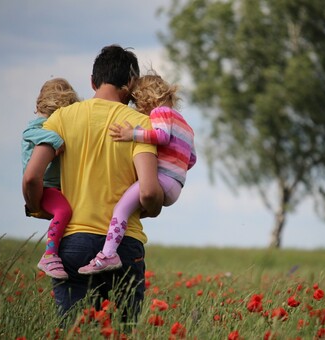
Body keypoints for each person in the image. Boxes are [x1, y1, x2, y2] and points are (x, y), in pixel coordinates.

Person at [22, 44, 164, 321]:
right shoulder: (140, 125)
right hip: (124, 245)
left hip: (72, 243)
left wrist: (37, 206)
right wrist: (155, 206)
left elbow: (31, 177)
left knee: (74, 329)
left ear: (92, 81)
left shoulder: (61, 118)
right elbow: (148, 191)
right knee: (121, 331)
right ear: (131, 84)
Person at [78, 72, 197, 275]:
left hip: (161, 179)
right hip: (176, 185)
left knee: (121, 209)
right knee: (131, 209)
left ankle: (108, 254)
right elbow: (192, 159)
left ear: (146, 98)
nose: (137, 108)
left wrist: (131, 134)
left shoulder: (160, 112)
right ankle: (113, 245)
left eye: (136, 102)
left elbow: (160, 136)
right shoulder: (186, 125)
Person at [21, 78, 79, 280]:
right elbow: (30, 133)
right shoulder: (39, 126)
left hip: (54, 186)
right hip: (45, 186)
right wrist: (56, 140)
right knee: (64, 210)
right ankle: (50, 254)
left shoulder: (49, 124)